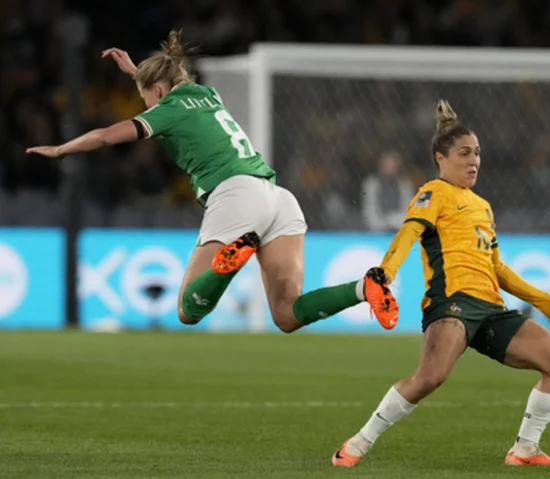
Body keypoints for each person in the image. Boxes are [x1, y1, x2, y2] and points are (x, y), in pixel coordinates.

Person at [26, 30, 399, 333]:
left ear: (156, 92)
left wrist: (62, 149)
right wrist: (136, 71)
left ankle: (227, 264)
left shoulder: (165, 109)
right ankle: (362, 288)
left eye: (145, 97)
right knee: (286, 314)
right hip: (277, 198)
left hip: (236, 197)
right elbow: (168, 88)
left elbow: (108, 135)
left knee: (188, 309)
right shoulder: (207, 95)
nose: (146, 107)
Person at [332, 100, 550, 467]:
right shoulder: (433, 192)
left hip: (491, 310)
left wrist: (541, 299)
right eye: (464, 153)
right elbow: (410, 231)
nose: (473, 160)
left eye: (477, 153)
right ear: (440, 158)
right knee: (430, 378)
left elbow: (497, 267)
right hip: (452, 303)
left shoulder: (483, 206)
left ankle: (525, 450)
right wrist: (386, 273)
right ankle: (358, 443)